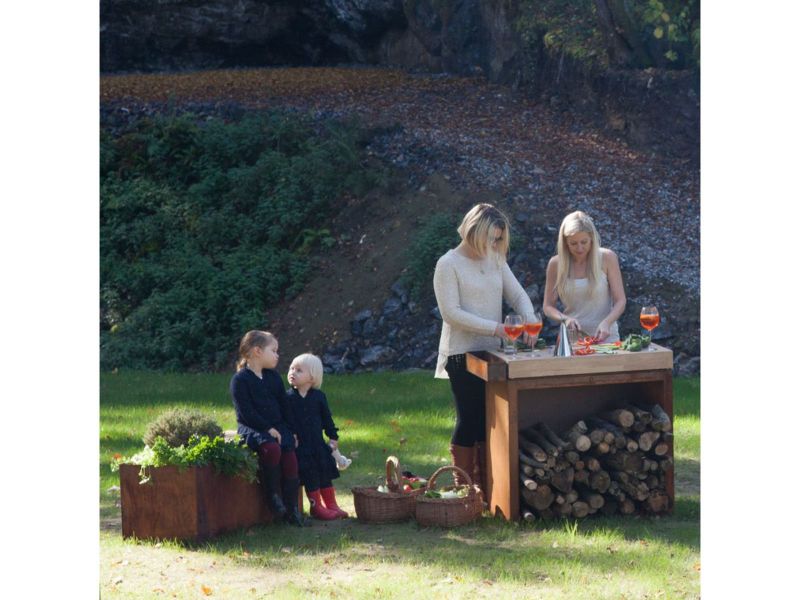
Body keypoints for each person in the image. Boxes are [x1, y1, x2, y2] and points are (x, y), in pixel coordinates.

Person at [433, 203, 536, 492]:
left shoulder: (495, 258)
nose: (494, 244)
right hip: (460, 352)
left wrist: (528, 316)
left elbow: (516, 293)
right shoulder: (448, 264)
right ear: (472, 231)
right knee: (470, 417)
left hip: (493, 351)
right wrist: (497, 328)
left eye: (498, 239)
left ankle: (490, 486)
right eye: (490, 238)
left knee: (492, 418)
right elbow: (451, 313)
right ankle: (465, 486)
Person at [230, 330, 305, 526]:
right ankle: (272, 497)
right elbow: (246, 412)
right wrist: (267, 428)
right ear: (257, 351)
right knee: (272, 449)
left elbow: (284, 406)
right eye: (273, 350)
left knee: (290, 455)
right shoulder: (240, 380)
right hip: (253, 427)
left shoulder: (273, 378)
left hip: (278, 426)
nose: (277, 355)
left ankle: (292, 508)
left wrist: (292, 430)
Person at [542, 210, 626, 342]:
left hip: (606, 338)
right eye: (573, 244)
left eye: (584, 242)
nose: (579, 248)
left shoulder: (607, 258)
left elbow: (620, 300)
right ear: (565, 243)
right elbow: (548, 306)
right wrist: (566, 319)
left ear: (592, 239)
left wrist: (607, 323)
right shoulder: (556, 264)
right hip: (571, 339)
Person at [286, 353, 347, 520]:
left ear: (312, 377)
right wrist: (290, 435)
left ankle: (332, 504)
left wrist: (332, 437)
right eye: (291, 368)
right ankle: (316, 506)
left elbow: (327, 418)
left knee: (325, 474)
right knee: (311, 475)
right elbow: (285, 420)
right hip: (301, 447)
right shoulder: (288, 398)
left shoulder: (318, 397)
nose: (292, 372)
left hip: (318, 445)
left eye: (299, 370)